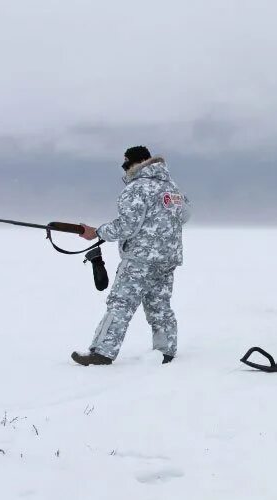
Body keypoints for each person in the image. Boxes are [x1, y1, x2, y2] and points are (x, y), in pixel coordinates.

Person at [71, 146, 191, 366]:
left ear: (138, 162)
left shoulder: (136, 188)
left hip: (140, 259)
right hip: (168, 258)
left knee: (120, 304)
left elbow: (127, 226)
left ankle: (103, 352)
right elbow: (184, 215)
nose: (124, 167)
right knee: (160, 305)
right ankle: (166, 350)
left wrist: (96, 232)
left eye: (126, 162)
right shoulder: (172, 187)